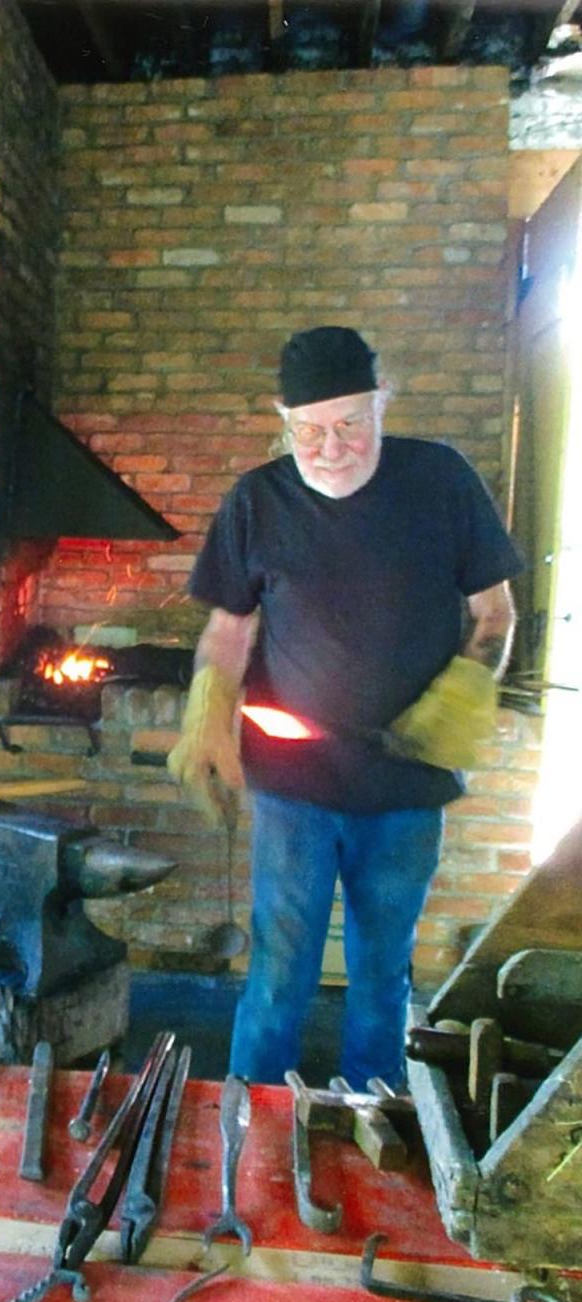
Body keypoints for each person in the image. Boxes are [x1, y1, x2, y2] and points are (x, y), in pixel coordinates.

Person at [168, 326, 522, 1090]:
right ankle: (251, 1128)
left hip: (406, 783)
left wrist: (462, 693)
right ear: (283, 418)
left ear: (381, 403)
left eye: (350, 423)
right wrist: (208, 708)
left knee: (382, 973)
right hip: (293, 782)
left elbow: (496, 614)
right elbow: (228, 627)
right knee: (280, 967)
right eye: (310, 429)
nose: (331, 447)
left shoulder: (442, 480)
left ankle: (375, 1122)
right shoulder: (258, 500)